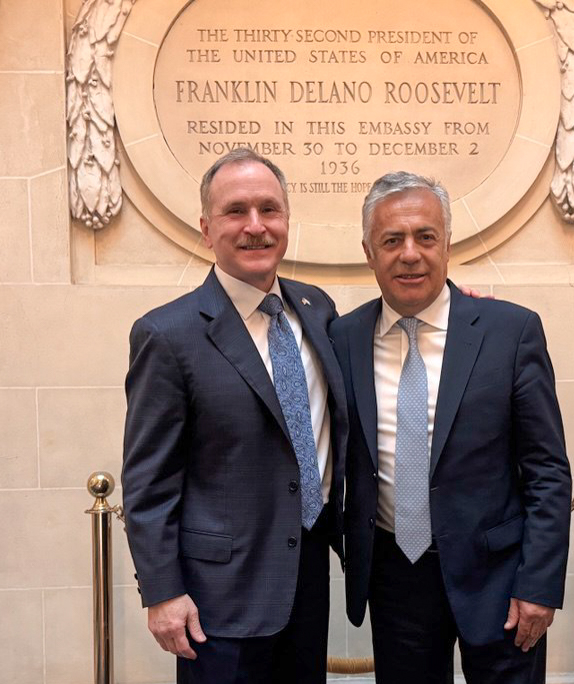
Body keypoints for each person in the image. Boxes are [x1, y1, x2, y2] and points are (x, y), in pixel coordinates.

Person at [331, 171, 572, 684]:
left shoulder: (510, 332)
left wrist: (540, 585)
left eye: (425, 236)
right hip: (395, 577)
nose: (410, 253)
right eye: (391, 240)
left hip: (501, 577)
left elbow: (547, 470)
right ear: (369, 252)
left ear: (447, 242)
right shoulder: (342, 338)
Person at [121, 149, 348, 683]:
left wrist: (460, 311)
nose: (255, 226)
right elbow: (148, 481)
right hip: (216, 600)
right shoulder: (167, 335)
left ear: (287, 221)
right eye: (236, 211)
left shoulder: (318, 310)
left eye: (269, 209)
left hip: (307, 581)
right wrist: (163, 592)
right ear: (206, 228)